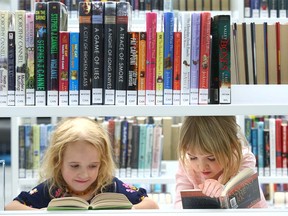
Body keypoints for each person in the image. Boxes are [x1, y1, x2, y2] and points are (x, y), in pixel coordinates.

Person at [5, 117, 159, 210]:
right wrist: (44, 213)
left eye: (93, 166)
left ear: (102, 162)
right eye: (74, 166)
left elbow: (151, 205)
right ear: (58, 162)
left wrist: (125, 211)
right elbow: (11, 208)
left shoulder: (109, 185)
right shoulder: (52, 188)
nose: (84, 174)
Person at [174, 116, 267, 208]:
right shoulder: (186, 165)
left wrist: (222, 190)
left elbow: (242, 202)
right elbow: (178, 205)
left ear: (232, 148)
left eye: (211, 158)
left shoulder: (243, 159)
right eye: (193, 157)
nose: (202, 167)